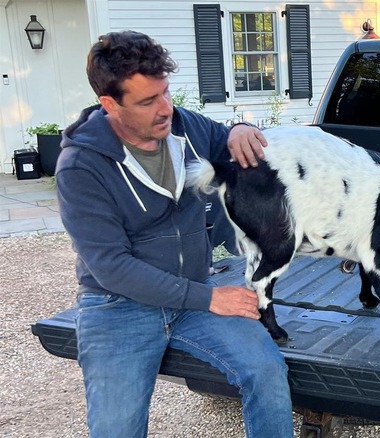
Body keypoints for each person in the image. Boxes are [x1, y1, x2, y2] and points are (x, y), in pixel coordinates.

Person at [56, 30, 293, 437]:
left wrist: (237, 127)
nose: (165, 108)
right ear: (110, 104)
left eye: (165, 92)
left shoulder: (184, 127)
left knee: (267, 371)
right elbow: (112, 267)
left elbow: (225, 139)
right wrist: (211, 298)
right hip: (119, 306)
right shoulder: (81, 167)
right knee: (117, 428)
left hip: (193, 295)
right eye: (148, 101)